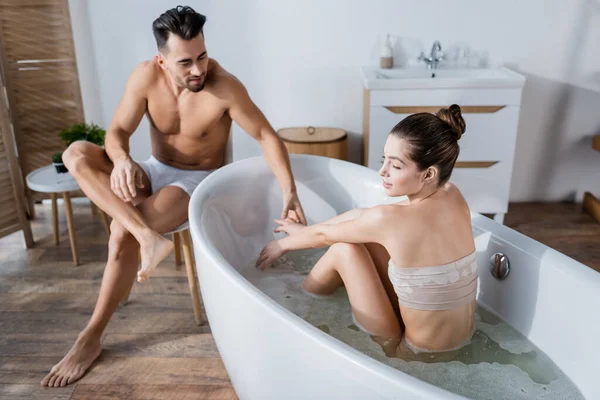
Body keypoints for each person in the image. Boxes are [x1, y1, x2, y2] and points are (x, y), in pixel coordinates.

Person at [42, 6, 306, 388]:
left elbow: (266, 135)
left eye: (202, 56)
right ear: (161, 60)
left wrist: (290, 189)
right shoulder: (145, 77)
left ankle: (91, 336)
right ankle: (148, 237)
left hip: (198, 182)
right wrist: (120, 161)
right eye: (185, 62)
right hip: (154, 168)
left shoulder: (224, 86)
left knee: (120, 233)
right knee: (76, 154)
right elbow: (116, 131)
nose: (198, 69)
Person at [256, 105, 477, 354]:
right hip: (462, 344)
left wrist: (282, 244)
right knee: (365, 237)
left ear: (428, 174)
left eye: (396, 166)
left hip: (409, 356)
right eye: (384, 160)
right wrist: (303, 231)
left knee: (343, 250)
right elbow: (363, 218)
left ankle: (299, 302)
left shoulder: (389, 220)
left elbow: (327, 236)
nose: (382, 172)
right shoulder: (453, 196)